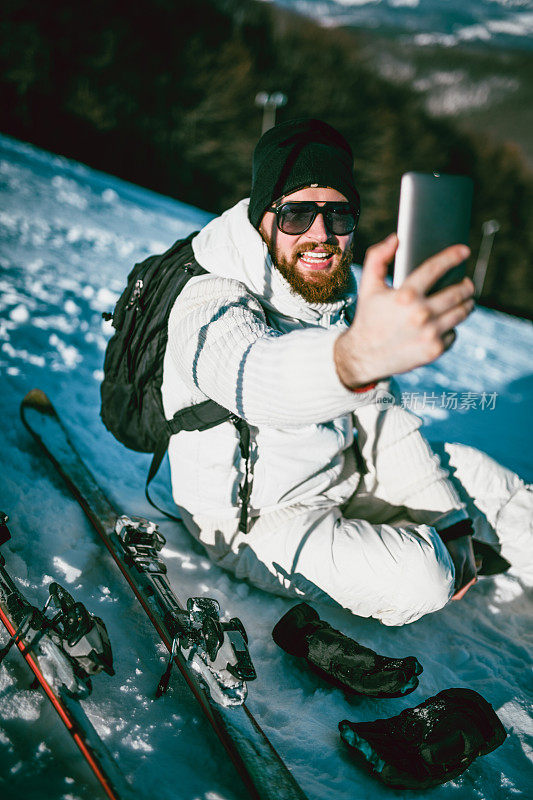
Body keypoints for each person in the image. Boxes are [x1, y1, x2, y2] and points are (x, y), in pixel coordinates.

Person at [161, 118, 532, 626]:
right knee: (420, 576)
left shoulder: (333, 297)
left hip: (347, 481)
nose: (320, 234)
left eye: (337, 214)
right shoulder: (209, 300)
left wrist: (447, 519)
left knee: (483, 481)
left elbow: (384, 420)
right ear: (260, 219)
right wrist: (353, 359)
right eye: (295, 215)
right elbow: (253, 379)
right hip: (258, 525)